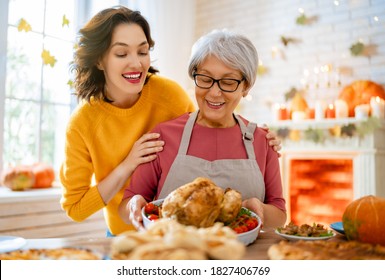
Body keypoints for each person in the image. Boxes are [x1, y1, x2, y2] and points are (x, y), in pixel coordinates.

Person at [60, 6, 282, 236]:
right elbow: (75, 208)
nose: (136, 64)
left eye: (142, 51)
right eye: (121, 53)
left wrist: (261, 139)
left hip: (174, 234)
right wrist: (128, 164)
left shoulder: (169, 95)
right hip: (127, 231)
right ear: (99, 60)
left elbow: (205, 124)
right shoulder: (83, 123)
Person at [119, 29, 287, 231]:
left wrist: (257, 209)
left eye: (228, 82)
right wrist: (134, 203)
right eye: (205, 79)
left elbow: (279, 215)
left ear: (246, 86)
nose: (214, 93)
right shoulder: (164, 136)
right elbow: (127, 204)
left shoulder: (262, 141)